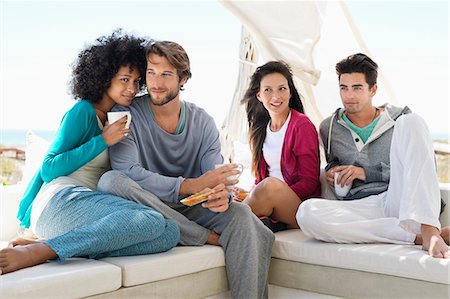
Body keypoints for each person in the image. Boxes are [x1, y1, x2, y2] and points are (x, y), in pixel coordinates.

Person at [97, 40, 274, 298]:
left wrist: (220, 196)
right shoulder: (125, 114)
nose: (156, 83)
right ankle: (201, 236)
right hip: (149, 205)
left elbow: (215, 174)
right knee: (111, 181)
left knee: (241, 215)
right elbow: (129, 171)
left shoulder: (202, 121)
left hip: (193, 206)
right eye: (151, 73)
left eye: (166, 74)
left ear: (183, 78)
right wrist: (187, 185)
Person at [0, 31, 180, 275]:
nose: (131, 88)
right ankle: (39, 253)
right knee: (152, 220)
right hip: (60, 201)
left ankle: (51, 245)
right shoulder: (83, 111)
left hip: (84, 214)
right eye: (124, 79)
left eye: (137, 82)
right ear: (106, 77)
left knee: (170, 233)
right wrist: (102, 140)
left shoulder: (119, 117)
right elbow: (49, 167)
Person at [296, 53, 449, 258]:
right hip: (364, 207)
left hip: (399, 198)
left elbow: (418, 168)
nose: (349, 95)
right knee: (306, 213)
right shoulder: (328, 127)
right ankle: (416, 237)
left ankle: (429, 230)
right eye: (344, 88)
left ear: (373, 89)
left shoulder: (400, 119)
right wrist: (332, 173)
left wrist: (365, 173)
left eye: (357, 88)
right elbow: (333, 163)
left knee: (413, 121)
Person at [236, 61, 320, 231]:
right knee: (232, 197)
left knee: (270, 186)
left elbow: (309, 182)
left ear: (290, 92)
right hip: (273, 204)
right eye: (268, 90)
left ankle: (224, 228)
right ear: (259, 95)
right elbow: (262, 178)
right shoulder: (261, 129)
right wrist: (251, 192)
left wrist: (273, 194)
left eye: (282, 88)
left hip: (300, 208)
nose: (276, 97)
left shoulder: (301, 125)